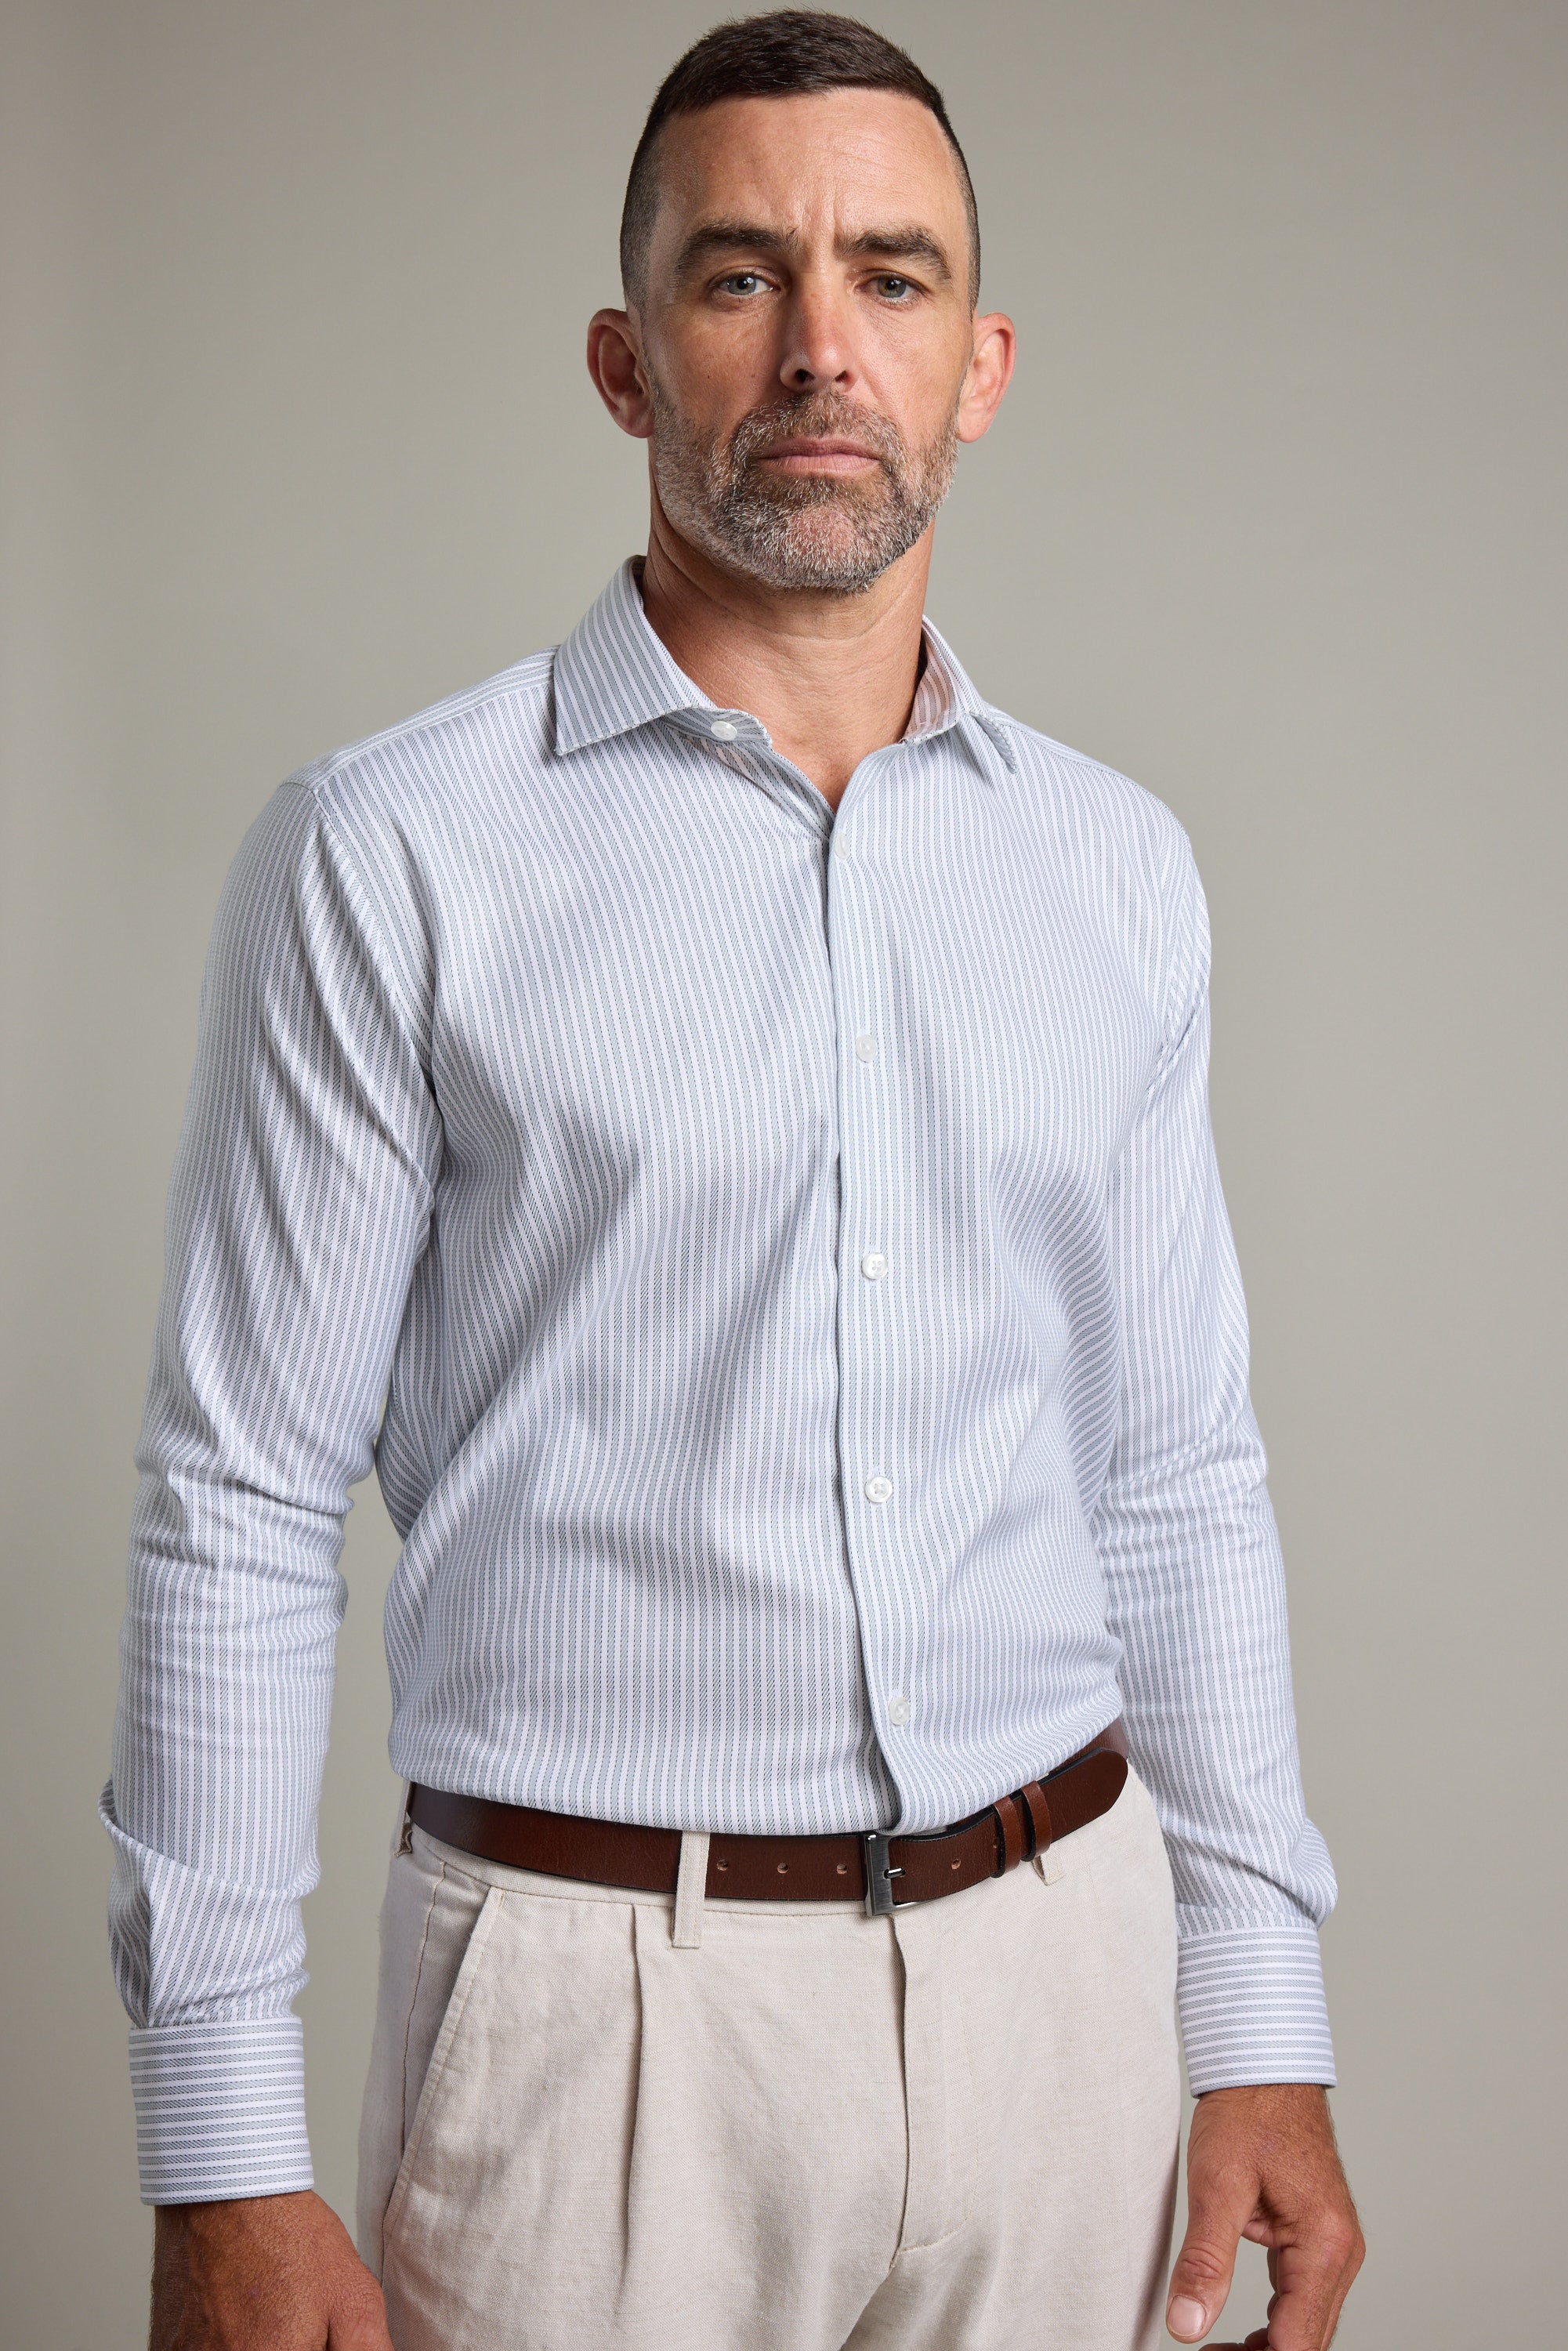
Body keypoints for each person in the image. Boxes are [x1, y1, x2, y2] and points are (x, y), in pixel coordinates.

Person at [105, 12, 1364, 2348]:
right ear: (622, 358)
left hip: (1061, 1987)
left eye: (889, 278)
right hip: (594, 2040)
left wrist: (1252, 2009)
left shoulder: (1112, 869)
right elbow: (245, 1495)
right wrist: (222, 2152)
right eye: (735, 278)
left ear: (979, 365)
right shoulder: (391, 854)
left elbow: (1174, 1466)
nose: (819, 349)